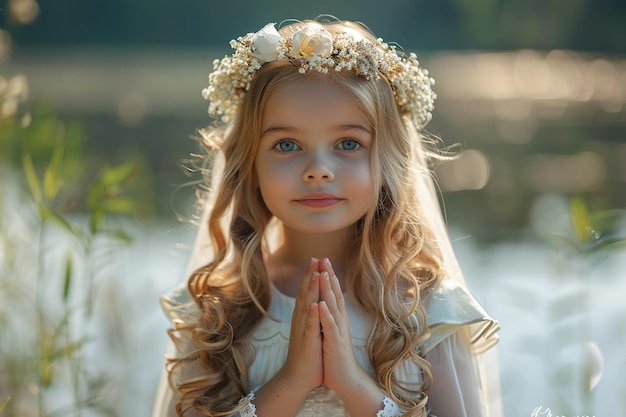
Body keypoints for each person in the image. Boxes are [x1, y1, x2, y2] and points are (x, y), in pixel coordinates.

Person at [152, 16, 501, 417]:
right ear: (249, 163)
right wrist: (291, 382)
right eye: (286, 144)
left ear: (387, 159)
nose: (318, 169)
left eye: (348, 143)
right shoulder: (215, 310)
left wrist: (351, 382)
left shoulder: (427, 311)